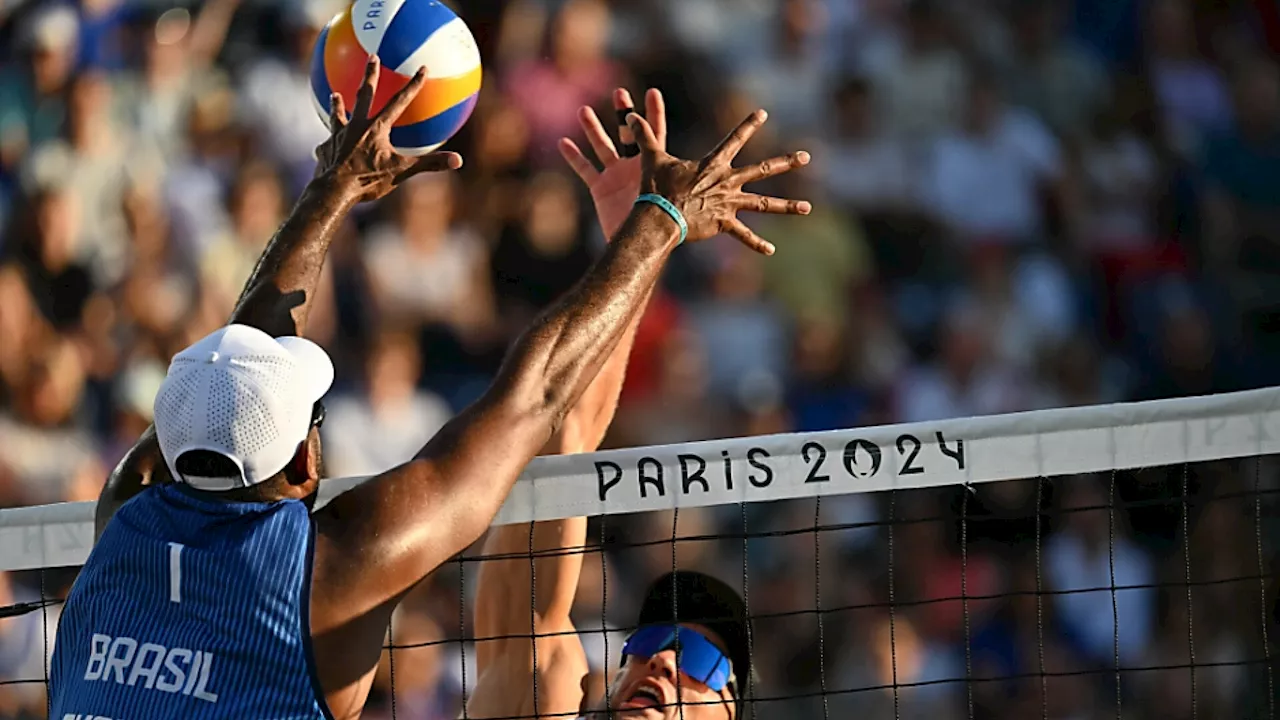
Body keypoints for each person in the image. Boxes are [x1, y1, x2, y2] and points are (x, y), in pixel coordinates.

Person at [48, 56, 811, 720]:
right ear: (307, 463)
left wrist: (333, 187)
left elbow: (240, 368)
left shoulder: (124, 518)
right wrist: (658, 222)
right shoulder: (331, 570)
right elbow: (534, 400)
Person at [468, 90, 752, 720]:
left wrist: (648, 234)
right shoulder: (545, 692)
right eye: (650, 642)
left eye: (704, 665)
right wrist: (642, 236)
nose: (664, 661)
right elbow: (564, 440)